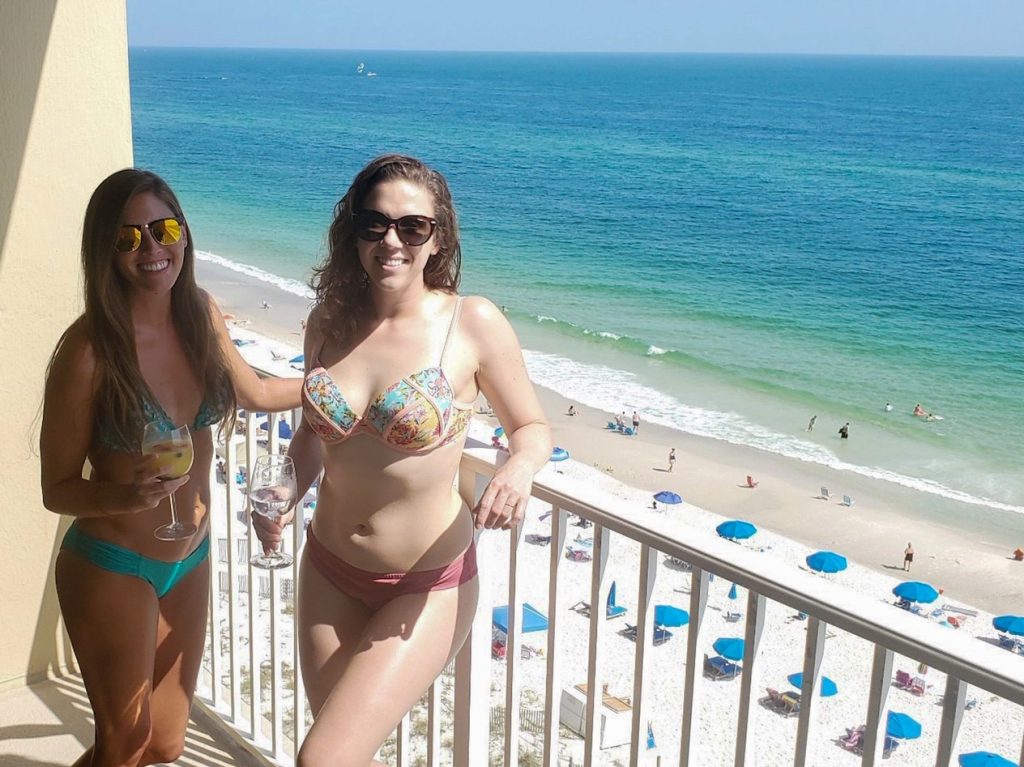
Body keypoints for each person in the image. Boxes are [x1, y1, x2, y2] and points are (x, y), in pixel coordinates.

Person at [253, 155, 551, 767]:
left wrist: (517, 470)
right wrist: (286, 493)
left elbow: (532, 427)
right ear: (353, 231)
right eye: (374, 223)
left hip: (425, 585)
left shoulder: (473, 322)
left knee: (323, 758)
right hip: (329, 569)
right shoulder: (327, 322)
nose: (392, 240)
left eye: (413, 227)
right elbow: (314, 434)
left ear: (437, 238)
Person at [39, 168, 302, 767]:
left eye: (163, 229)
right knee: (123, 745)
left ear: (183, 231)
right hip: (114, 565)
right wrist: (120, 496)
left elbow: (256, 394)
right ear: (105, 251)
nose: (152, 249)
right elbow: (56, 489)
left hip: (192, 556)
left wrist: (345, 384)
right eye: (128, 238)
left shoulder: (200, 314)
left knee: (163, 743)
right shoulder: (88, 353)